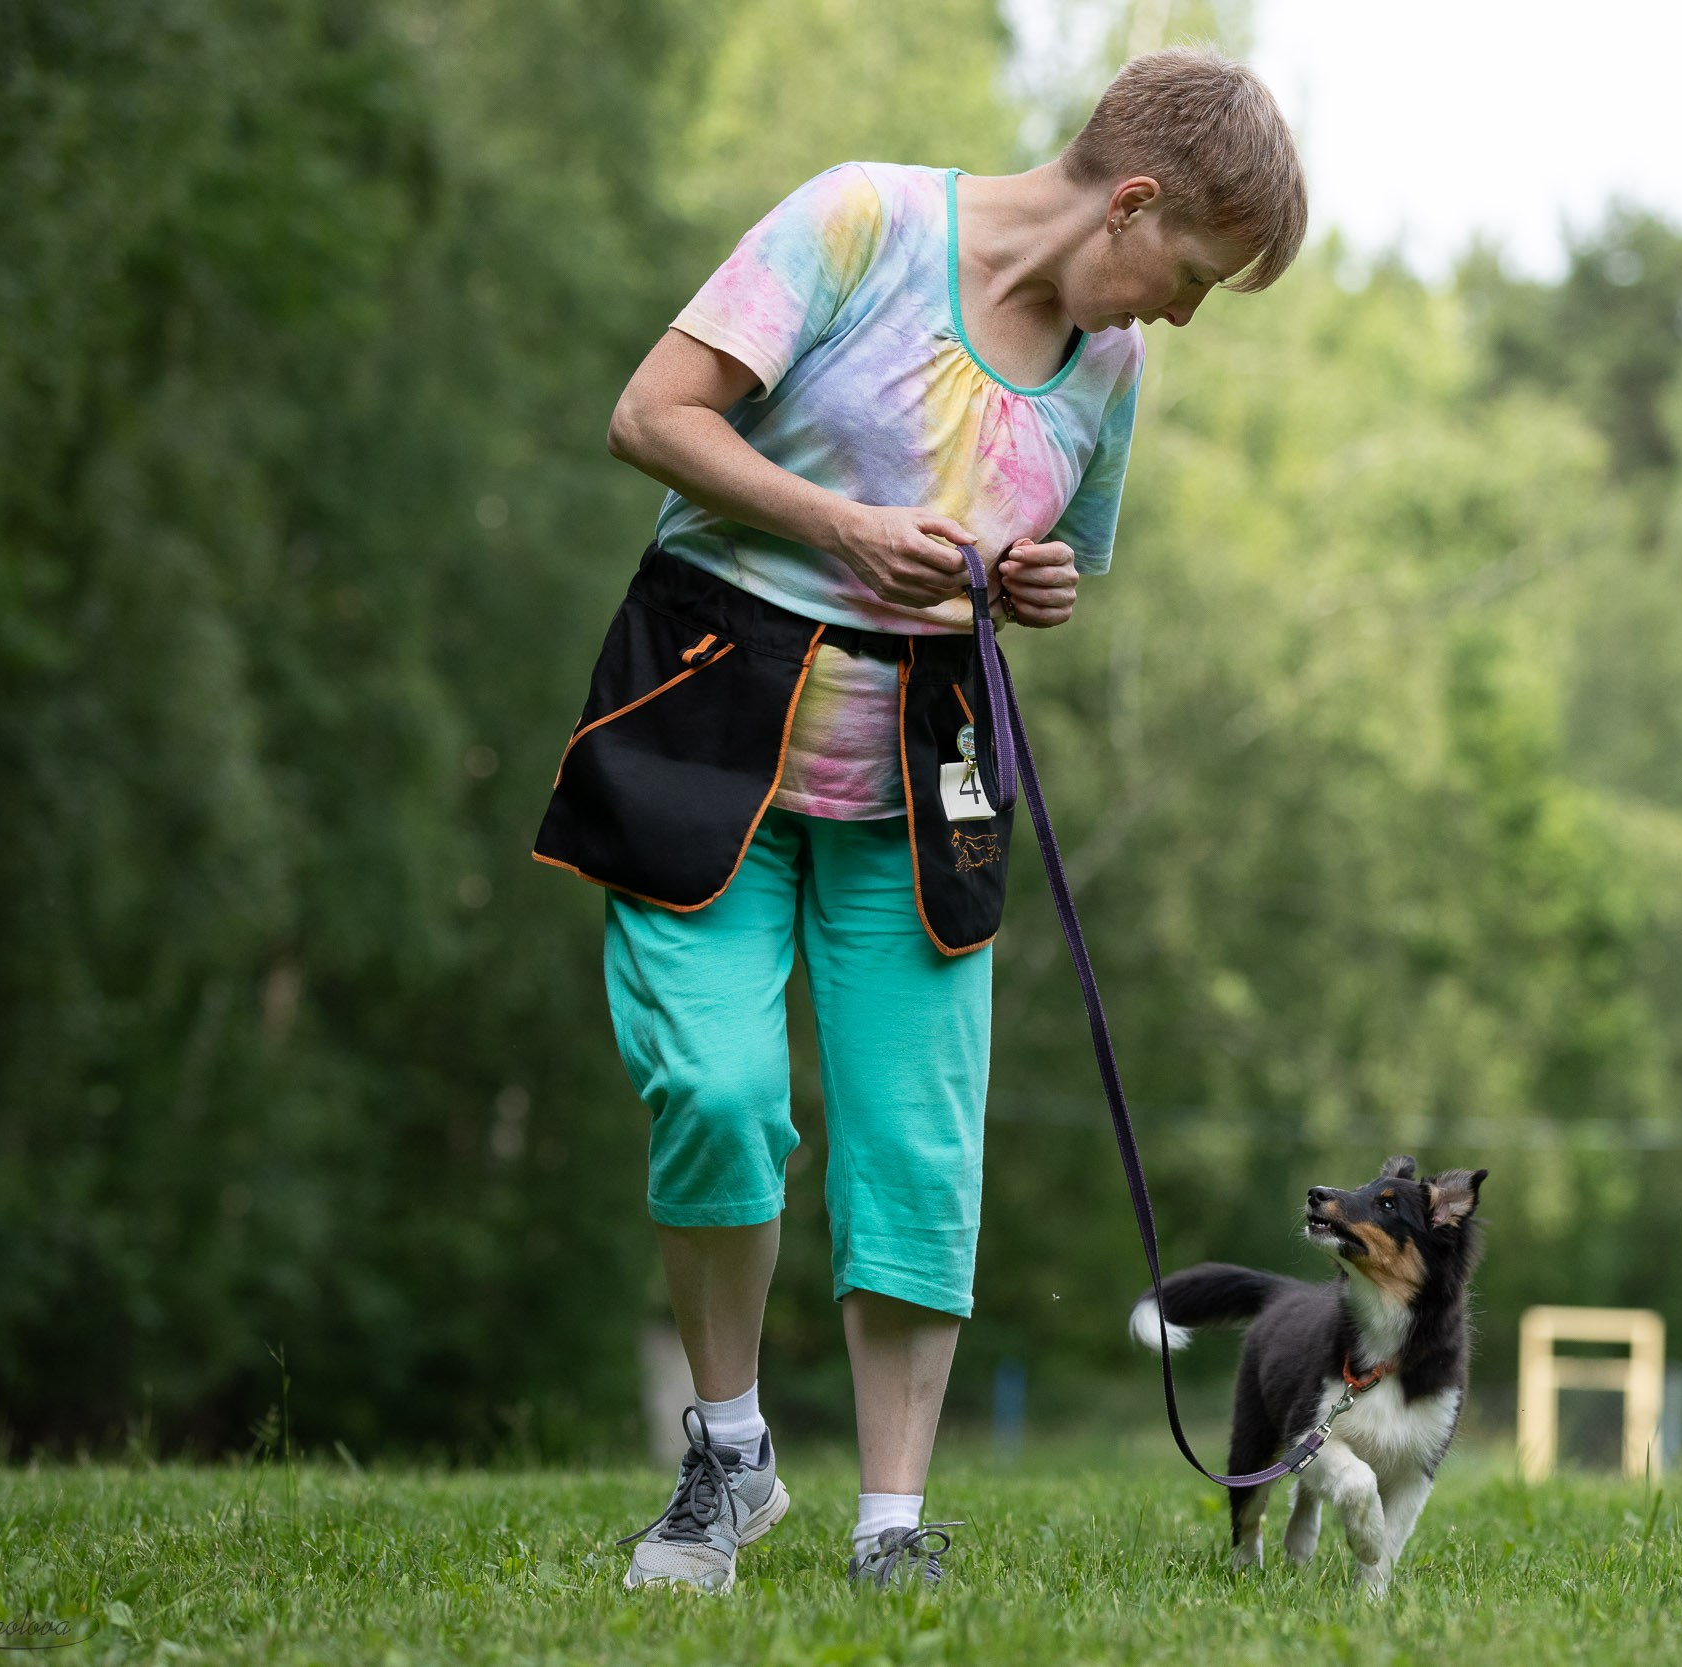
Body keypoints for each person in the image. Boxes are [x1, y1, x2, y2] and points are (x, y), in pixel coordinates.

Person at [532, 47, 1305, 1594]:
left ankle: (894, 1525)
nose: (1180, 315)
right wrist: (837, 524)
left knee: (916, 1150)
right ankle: (729, 1458)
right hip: (706, 733)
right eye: (1194, 275)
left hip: (923, 779)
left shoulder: (1107, 370)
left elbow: (1058, 561)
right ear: (1132, 202)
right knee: (720, 1090)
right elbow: (649, 415)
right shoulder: (858, 226)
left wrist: (1041, 589)